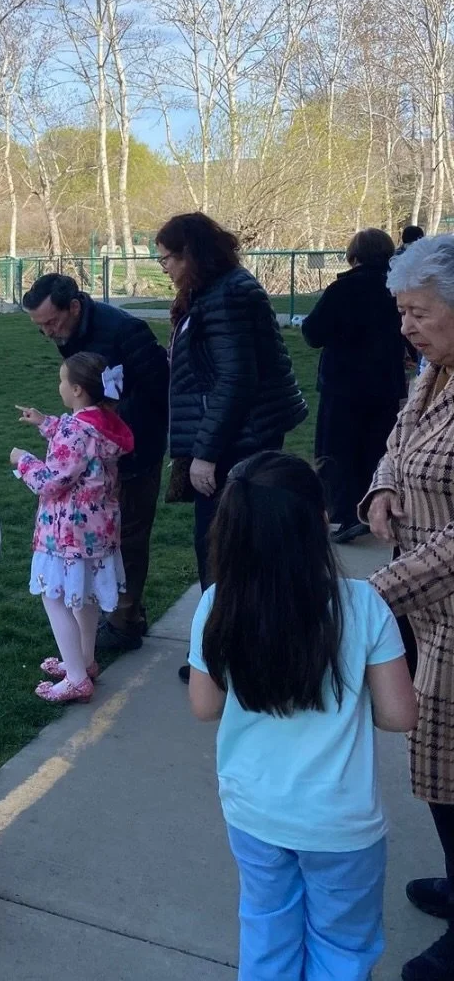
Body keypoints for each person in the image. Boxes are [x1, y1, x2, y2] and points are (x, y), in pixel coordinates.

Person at [189, 451, 416, 981]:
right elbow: (398, 713)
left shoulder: (219, 604)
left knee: (267, 941)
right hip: (341, 823)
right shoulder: (363, 606)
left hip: (255, 813)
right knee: (342, 949)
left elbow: (204, 705)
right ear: (319, 522)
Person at [157, 213, 307, 682]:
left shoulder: (228, 295)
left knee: (224, 550)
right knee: (230, 549)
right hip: (236, 436)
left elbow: (236, 380)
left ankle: (227, 659)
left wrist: (205, 453)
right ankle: (234, 651)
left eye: (167, 258)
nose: (163, 266)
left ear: (192, 254)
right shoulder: (217, 291)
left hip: (235, 444)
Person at [362, 235, 454, 981]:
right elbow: (398, 440)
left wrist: (374, 595)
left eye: (420, 312)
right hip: (427, 605)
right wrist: (382, 490)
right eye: (403, 312)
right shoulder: (434, 375)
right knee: (437, 768)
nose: (407, 327)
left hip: (444, 602)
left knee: (453, 772)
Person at [22, 272, 168, 652]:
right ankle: (110, 612)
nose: (48, 333)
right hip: (99, 449)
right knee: (106, 538)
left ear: (74, 306)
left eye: (51, 323)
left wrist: (106, 433)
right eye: (40, 327)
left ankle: (123, 622)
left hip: (133, 450)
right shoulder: (71, 334)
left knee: (129, 536)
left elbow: (159, 389)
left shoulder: (126, 331)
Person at [13, 352, 133, 705]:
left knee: (55, 599)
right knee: (84, 594)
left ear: (77, 390)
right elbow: (80, 447)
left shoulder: (75, 431)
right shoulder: (105, 424)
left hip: (65, 535)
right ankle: (84, 661)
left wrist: (23, 462)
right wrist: (44, 422)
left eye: (62, 381)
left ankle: (77, 677)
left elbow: (52, 482)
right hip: (98, 531)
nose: (59, 386)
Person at [301, 228, 408, 543]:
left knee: (337, 451)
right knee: (379, 448)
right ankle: (377, 507)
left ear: (354, 255)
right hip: (386, 382)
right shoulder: (396, 288)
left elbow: (312, 333)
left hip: (343, 384)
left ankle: (345, 514)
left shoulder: (343, 289)